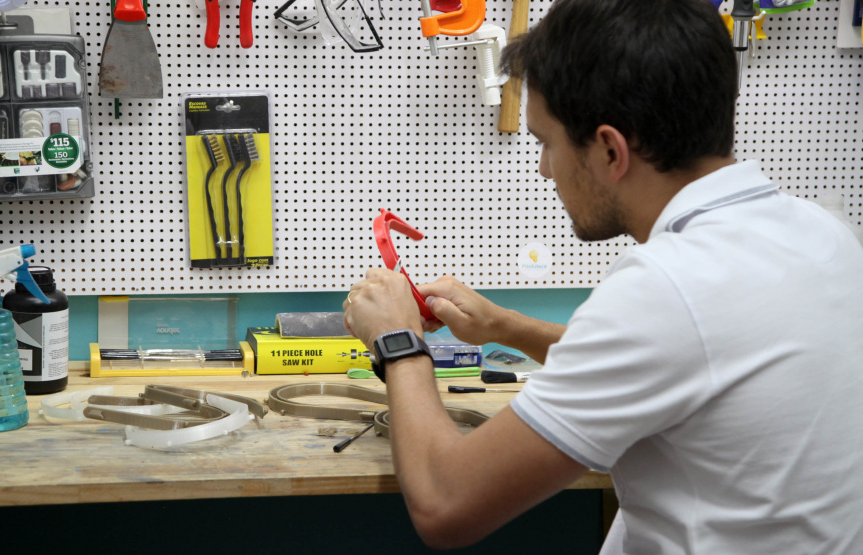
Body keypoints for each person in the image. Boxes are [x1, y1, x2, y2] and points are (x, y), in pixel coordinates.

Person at [342, 0, 863, 552]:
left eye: (546, 142)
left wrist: (398, 343)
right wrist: (506, 327)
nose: (544, 168)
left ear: (611, 149)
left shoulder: (664, 286)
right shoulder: (822, 232)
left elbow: (445, 504)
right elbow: (689, 358)